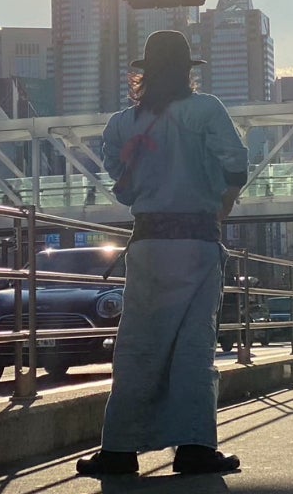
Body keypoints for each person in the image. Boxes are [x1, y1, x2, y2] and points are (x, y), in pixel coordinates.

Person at [77, 31, 248, 478]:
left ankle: (119, 450)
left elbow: (122, 185)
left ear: (144, 75)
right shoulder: (206, 110)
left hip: (149, 242)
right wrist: (224, 201)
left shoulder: (122, 125)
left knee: (137, 345)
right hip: (196, 242)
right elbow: (236, 162)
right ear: (188, 72)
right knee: (194, 346)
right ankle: (194, 447)